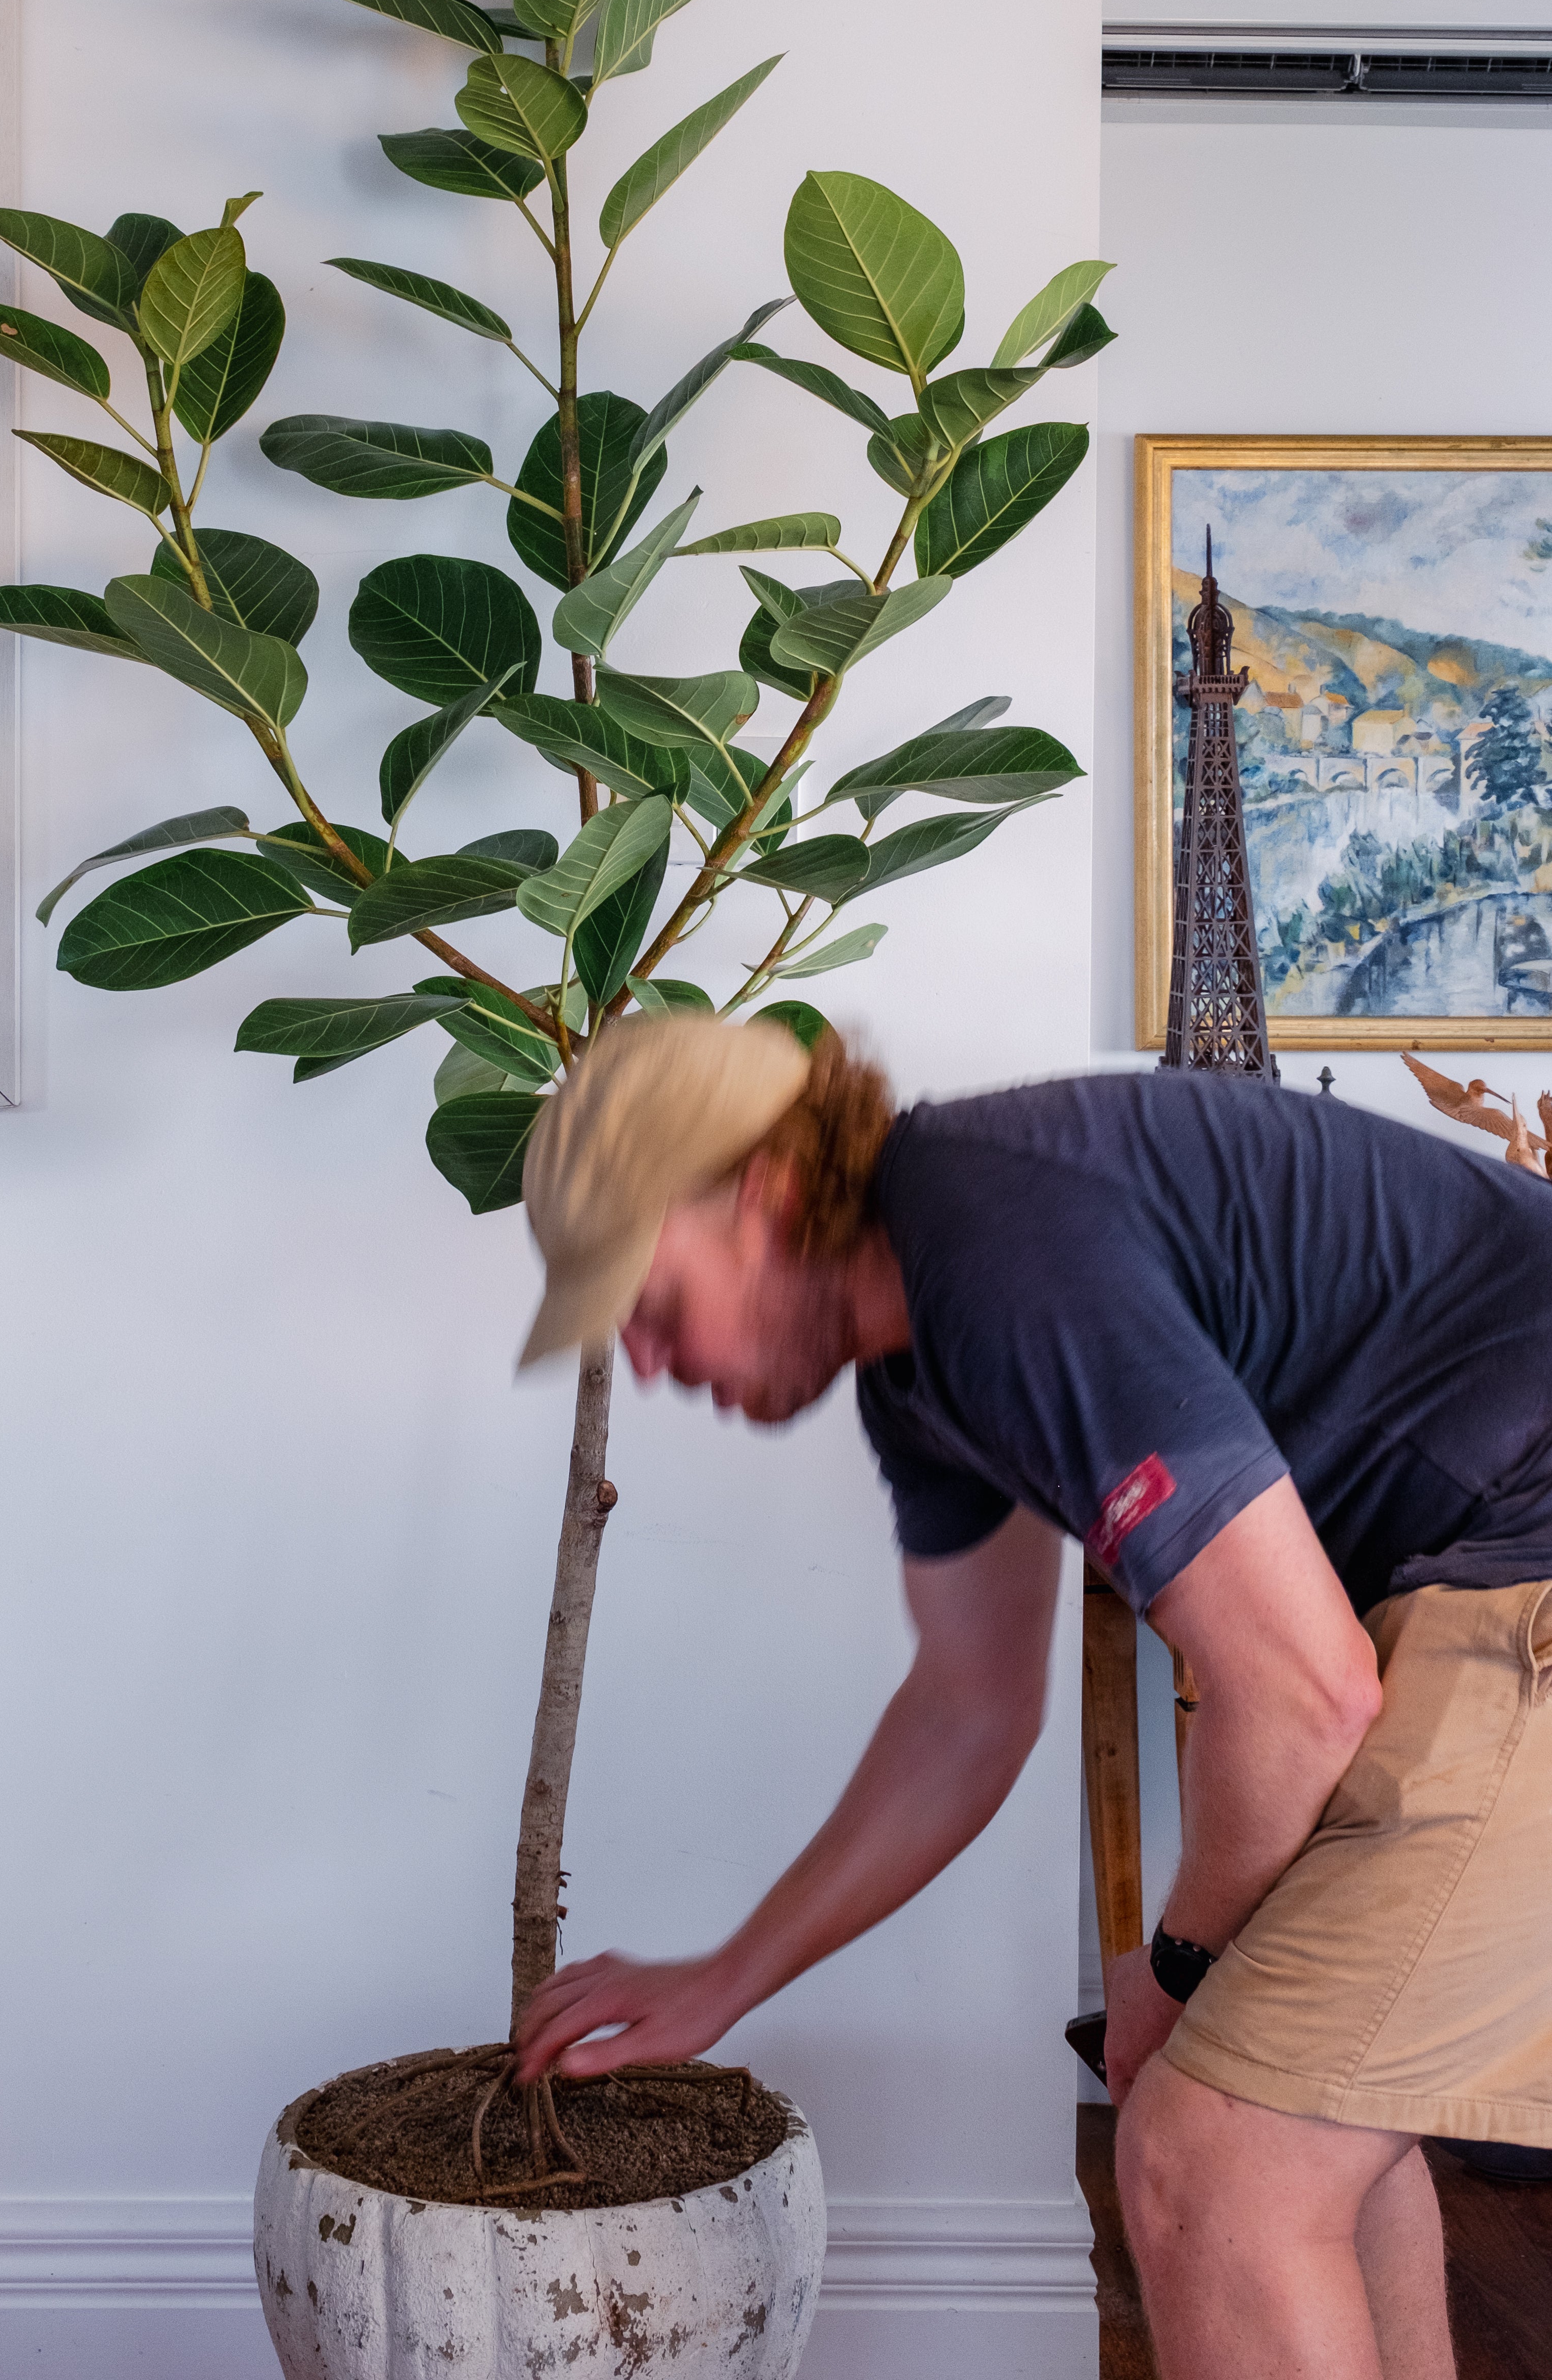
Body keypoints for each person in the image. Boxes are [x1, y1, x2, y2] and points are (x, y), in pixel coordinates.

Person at [511, 1014, 1552, 2380]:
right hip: (1470, 1570)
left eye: (648, 1300)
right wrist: (724, 1977)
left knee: (1211, 2159)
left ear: (759, 1193)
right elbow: (967, 1709)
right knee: (1302, 2116)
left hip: (1519, 1567)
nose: (644, 1363)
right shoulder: (922, 1363)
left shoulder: (994, 1246)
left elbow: (1299, 1690)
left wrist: (1173, 1968)